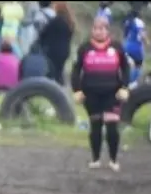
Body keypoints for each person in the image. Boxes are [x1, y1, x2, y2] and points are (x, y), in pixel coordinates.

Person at [72, 16, 129, 172]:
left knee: (112, 126)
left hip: (112, 93)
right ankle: (95, 159)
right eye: (95, 28)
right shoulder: (84, 48)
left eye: (101, 29)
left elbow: (125, 68)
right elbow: (76, 70)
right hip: (91, 93)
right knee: (95, 126)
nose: (98, 32)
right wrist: (76, 90)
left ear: (107, 31)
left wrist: (124, 87)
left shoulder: (116, 47)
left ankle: (113, 160)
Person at [37, 1, 74, 86]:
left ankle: (53, 90)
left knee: (52, 72)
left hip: (54, 51)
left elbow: (43, 34)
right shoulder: (70, 22)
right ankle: (61, 88)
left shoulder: (55, 21)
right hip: (65, 50)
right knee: (59, 72)